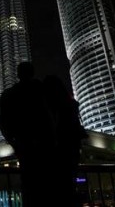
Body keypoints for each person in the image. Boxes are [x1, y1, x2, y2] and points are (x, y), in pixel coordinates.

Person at [0, 62, 54, 207]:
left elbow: (2, 123)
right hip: (46, 147)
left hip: (25, 148)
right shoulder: (44, 91)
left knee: (29, 187)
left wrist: (14, 143)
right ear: (33, 72)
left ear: (18, 74)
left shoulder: (10, 95)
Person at [43, 75, 87, 205]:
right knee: (69, 186)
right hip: (71, 153)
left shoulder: (48, 108)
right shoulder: (70, 105)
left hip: (55, 155)